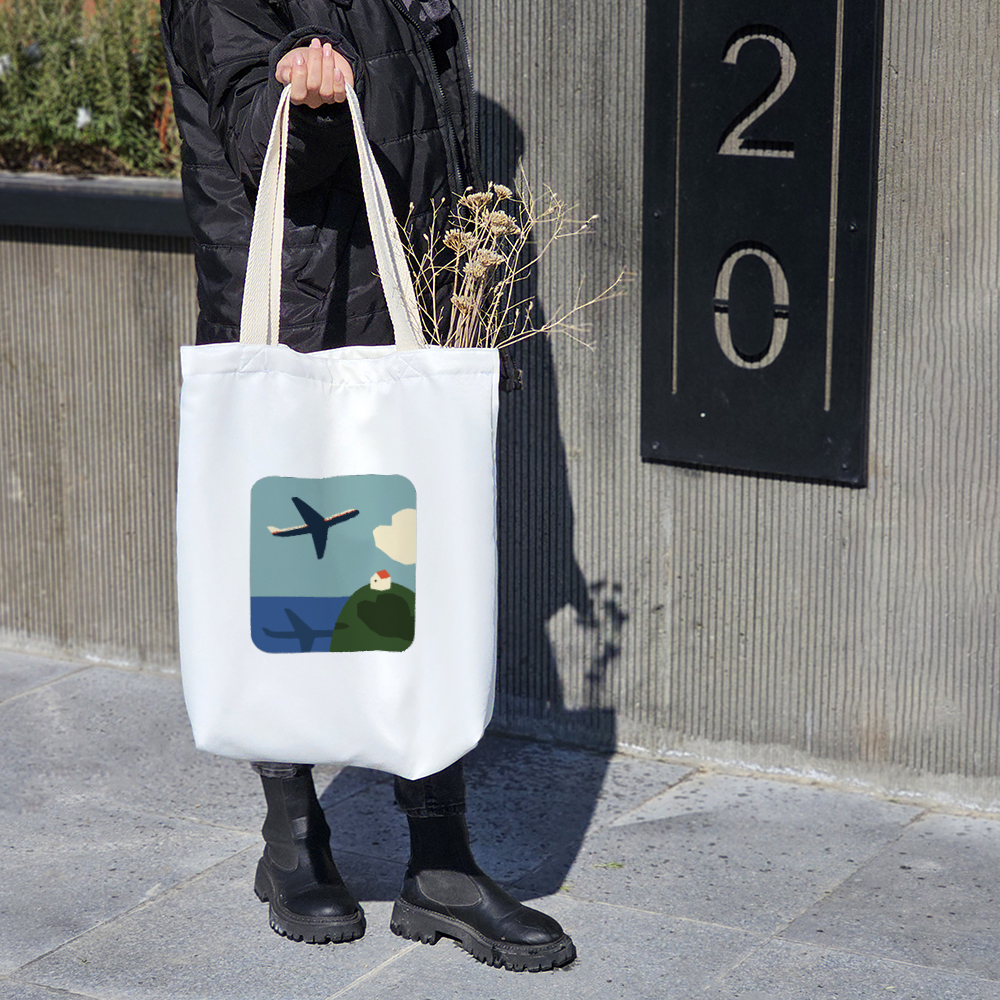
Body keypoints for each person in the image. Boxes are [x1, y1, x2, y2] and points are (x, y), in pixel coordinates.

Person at [159, 0, 574, 973]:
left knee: (408, 583)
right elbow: (254, 134)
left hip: (400, 301)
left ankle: (441, 861)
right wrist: (300, 106)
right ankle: (293, 837)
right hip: (300, 302)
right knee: (297, 584)